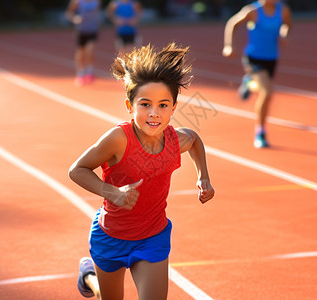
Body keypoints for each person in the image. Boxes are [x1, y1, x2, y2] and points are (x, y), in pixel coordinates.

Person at [69, 43, 215, 300]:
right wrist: (111, 192)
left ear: (173, 108)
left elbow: (193, 139)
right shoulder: (118, 139)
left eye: (162, 105)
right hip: (111, 236)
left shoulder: (174, 140)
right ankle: (89, 276)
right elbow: (77, 170)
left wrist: (203, 176)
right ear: (130, 105)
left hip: (152, 237)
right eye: (145, 104)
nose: (154, 113)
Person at [222, 0, 291, 148]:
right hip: (253, 57)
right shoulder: (252, 11)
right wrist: (228, 46)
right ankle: (260, 132)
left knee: (264, 90)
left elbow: (287, 25)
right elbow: (232, 23)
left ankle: (249, 81)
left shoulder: (283, 10)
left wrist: (283, 34)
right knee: (267, 93)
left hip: (272, 58)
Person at [66, 0, 101, 86]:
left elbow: (97, 14)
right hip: (82, 31)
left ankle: (90, 72)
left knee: (90, 51)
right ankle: (80, 73)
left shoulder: (96, 2)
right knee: (81, 52)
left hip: (93, 30)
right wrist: (75, 19)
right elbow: (69, 13)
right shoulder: (77, 2)